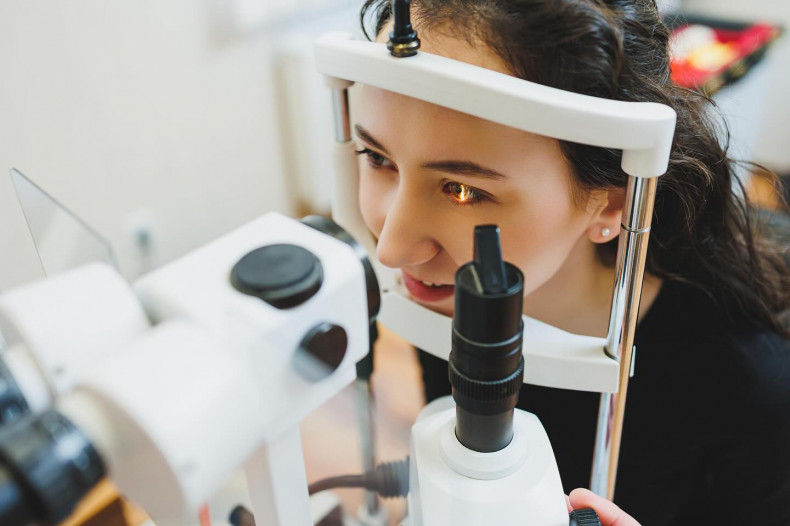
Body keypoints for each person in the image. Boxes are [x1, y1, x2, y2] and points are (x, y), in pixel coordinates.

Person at [354, 0, 790, 524]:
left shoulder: (749, 389)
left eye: (462, 190)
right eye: (377, 157)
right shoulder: (445, 295)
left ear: (611, 203)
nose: (393, 249)